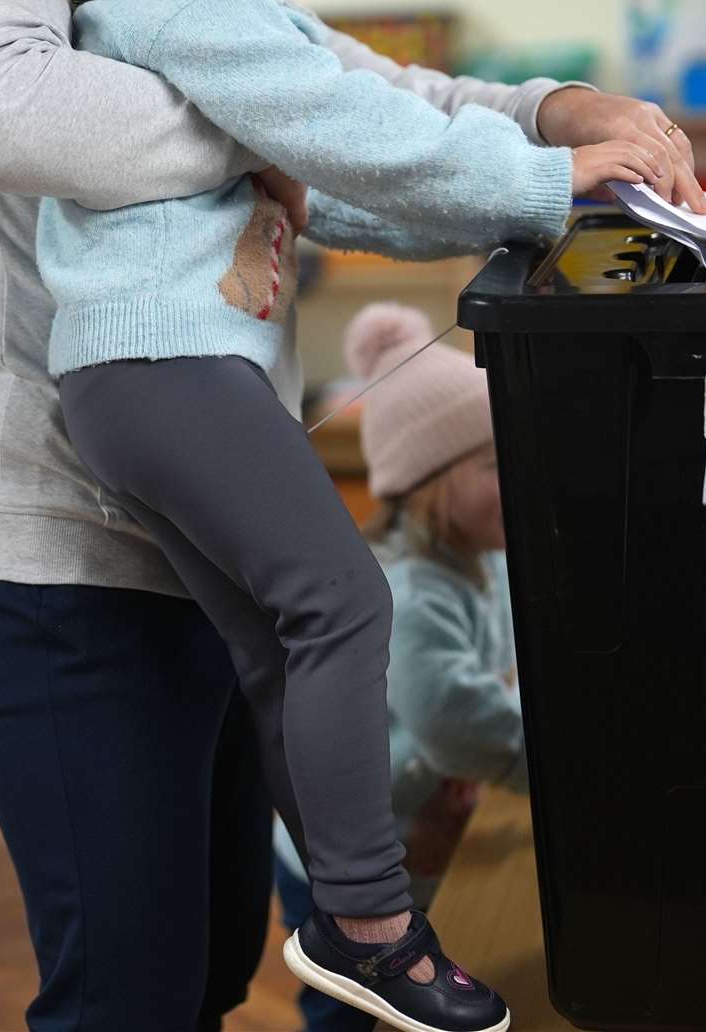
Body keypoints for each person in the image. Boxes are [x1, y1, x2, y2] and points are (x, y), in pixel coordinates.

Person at [0, 0, 704, 1031]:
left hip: (189, 534)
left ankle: (361, 923)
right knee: (125, 995)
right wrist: (297, 136)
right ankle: (374, 925)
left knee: (200, 975)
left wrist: (559, 114)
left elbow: (364, 93)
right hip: (55, 549)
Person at [274, 303, 529, 1032]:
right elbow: (456, 718)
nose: (515, 473)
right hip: (340, 858)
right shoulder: (410, 593)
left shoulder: (485, 559)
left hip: (414, 822)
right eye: (491, 463)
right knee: (347, 1006)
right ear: (429, 482)